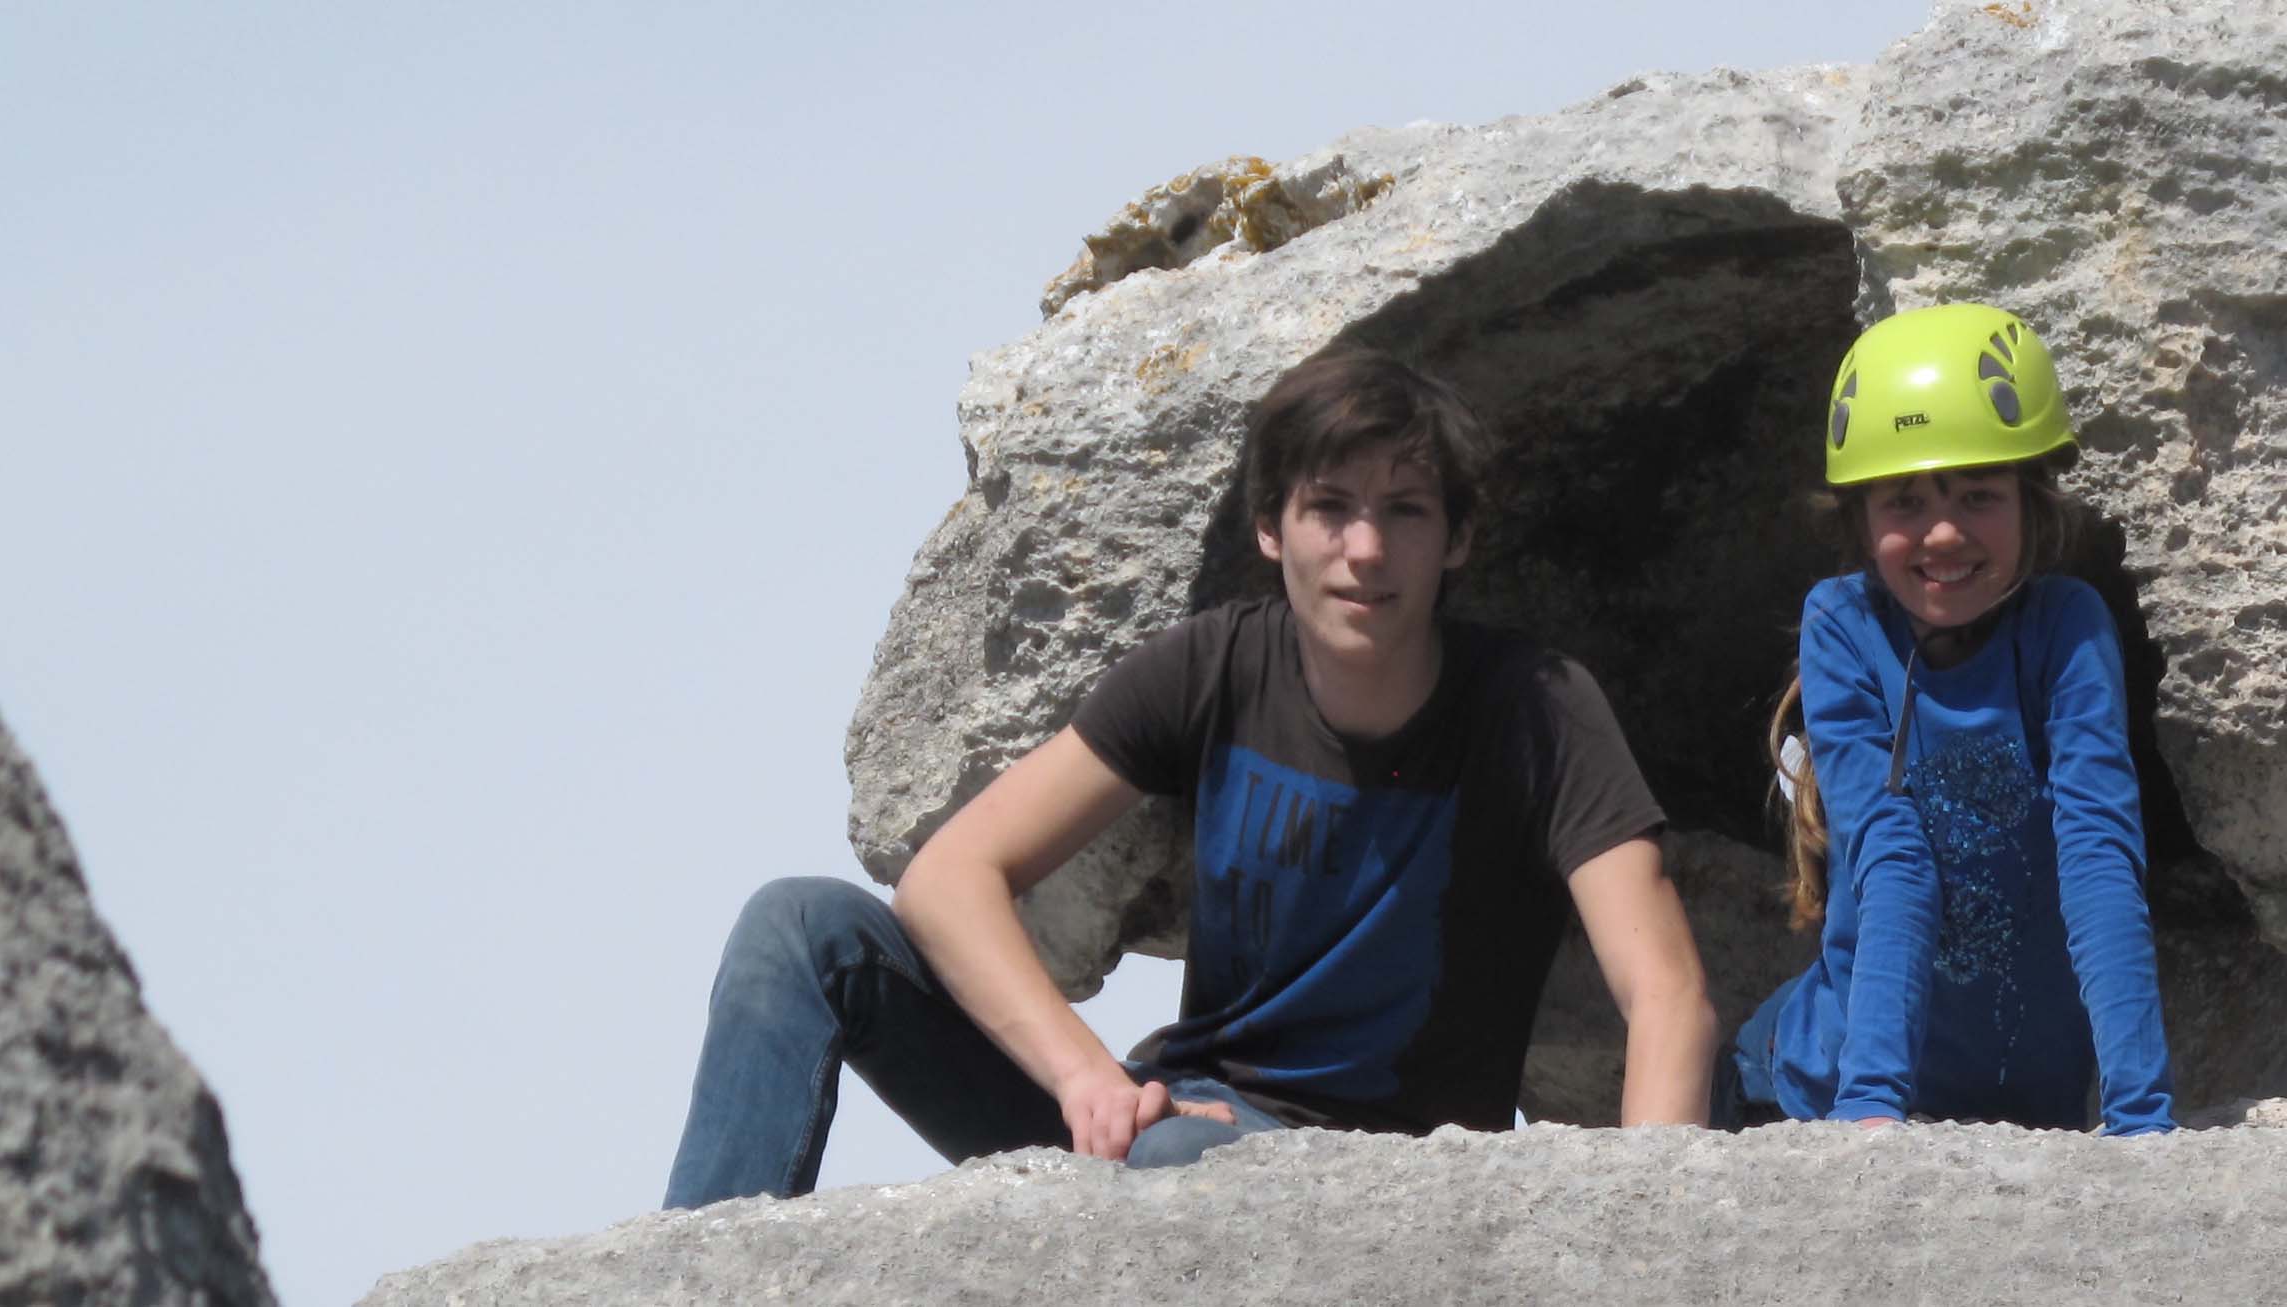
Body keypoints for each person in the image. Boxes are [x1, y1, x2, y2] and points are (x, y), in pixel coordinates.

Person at [662, 347, 1716, 1207]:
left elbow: (1664, 989)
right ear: (1271, 529)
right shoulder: (1212, 666)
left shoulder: (1535, 706)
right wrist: (1089, 1077)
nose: (1364, 548)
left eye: (1404, 510)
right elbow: (948, 876)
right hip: (1167, 1118)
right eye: (1328, 507)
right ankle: (693, 1275)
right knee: (796, 928)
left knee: (1164, 1177)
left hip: (1385, 1183)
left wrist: (1640, 1224)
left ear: (1456, 538)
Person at [1719, 303, 2175, 1135]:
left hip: (2022, 1102)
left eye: (1978, 494)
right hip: (1818, 1085)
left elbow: (2098, 853)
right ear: (1858, 519)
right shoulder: (1843, 624)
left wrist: (2141, 1110)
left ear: (2033, 504)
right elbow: (1891, 857)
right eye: (1903, 501)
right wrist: (1871, 1109)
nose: (1942, 531)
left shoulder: (2063, 628)